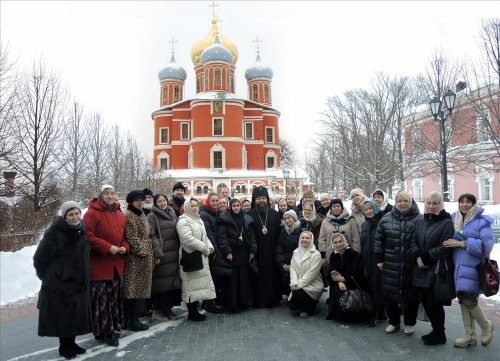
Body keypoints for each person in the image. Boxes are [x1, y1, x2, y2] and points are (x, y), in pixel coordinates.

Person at [33, 201, 91, 359]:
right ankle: (64, 347)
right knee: (63, 317)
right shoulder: (55, 232)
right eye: (70, 214)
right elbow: (39, 258)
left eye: (77, 213)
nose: (75, 217)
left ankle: (71, 343)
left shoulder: (81, 231)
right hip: (59, 285)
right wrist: (50, 278)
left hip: (77, 284)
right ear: (64, 216)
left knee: (73, 316)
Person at [443, 193, 495, 347]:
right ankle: (469, 336)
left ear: (473, 204)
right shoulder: (453, 218)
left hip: (473, 267)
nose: (464, 204)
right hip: (457, 267)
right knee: (463, 299)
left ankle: (486, 326)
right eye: (462, 201)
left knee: (469, 299)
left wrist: (462, 244)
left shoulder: (482, 222)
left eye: (468, 202)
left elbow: (486, 246)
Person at [83, 185, 128, 347]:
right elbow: (87, 236)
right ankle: (104, 331)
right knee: (101, 301)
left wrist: (124, 247)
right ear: (101, 196)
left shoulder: (119, 214)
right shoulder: (91, 214)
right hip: (99, 266)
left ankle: (111, 328)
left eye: (112, 193)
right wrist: (108, 247)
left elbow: (124, 236)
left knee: (114, 299)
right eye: (106, 194)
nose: (110, 196)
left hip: (116, 265)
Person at [374, 191, 422, 335]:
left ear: (411, 201)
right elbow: (378, 239)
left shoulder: (420, 219)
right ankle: (393, 322)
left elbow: (423, 240)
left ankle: (409, 322)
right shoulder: (387, 218)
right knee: (390, 294)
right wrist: (379, 259)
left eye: (406, 200)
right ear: (396, 202)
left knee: (411, 295)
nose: (402, 203)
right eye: (399, 201)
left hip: (411, 264)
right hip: (391, 262)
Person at [410, 192, 454, 345]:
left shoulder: (446, 222)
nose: (431, 206)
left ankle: (440, 333)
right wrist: (417, 256)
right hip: (420, 267)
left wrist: (426, 257)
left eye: (435, 203)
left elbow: (446, 246)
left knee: (434, 302)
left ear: (440, 205)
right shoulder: (421, 220)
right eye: (429, 203)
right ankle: (435, 331)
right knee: (426, 301)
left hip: (436, 269)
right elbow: (413, 241)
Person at [176, 198, 217, 321]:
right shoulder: (183, 221)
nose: (195, 208)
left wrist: (209, 247)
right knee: (190, 285)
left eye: (196, 206)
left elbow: (205, 237)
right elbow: (186, 239)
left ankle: (195, 311)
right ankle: (192, 312)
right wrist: (202, 247)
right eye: (192, 206)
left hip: (201, 256)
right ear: (187, 207)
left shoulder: (198, 219)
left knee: (198, 285)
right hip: (190, 256)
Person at [217, 198, 257, 312]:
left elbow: (252, 237)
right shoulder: (225, 219)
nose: (236, 208)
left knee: (243, 278)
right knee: (233, 280)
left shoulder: (246, 219)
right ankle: (233, 304)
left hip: (244, 252)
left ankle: (243, 302)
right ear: (230, 207)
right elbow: (222, 237)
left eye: (238, 206)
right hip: (232, 253)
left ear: (240, 206)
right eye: (234, 206)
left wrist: (252, 251)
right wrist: (227, 251)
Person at [122, 190, 153, 332]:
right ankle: (131, 320)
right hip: (135, 259)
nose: (140, 202)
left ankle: (134, 318)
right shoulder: (129, 216)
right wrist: (143, 252)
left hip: (144, 258)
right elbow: (131, 237)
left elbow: (147, 234)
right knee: (132, 290)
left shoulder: (141, 214)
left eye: (142, 200)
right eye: (137, 200)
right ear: (131, 202)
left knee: (137, 291)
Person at [147, 193, 181, 322]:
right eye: (159, 201)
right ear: (155, 203)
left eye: (164, 200)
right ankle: (158, 310)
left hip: (173, 253)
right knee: (160, 284)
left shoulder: (172, 213)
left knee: (170, 283)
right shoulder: (152, 216)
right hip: (163, 254)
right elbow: (150, 235)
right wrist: (157, 254)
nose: (162, 203)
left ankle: (168, 308)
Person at [248, 186, 282, 307]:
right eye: (258, 198)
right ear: (254, 200)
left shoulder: (274, 214)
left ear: (267, 199)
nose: (261, 200)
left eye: (263, 198)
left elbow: (279, 233)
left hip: (272, 251)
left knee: (272, 274)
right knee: (257, 275)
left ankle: (273, 299)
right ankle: (257, 300)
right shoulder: (249, 214)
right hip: (257, 252)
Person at [199, 193, 230, 313]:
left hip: (214, 249)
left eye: (217, 200)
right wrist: (216, 251)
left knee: (214, 277)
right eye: (213, 201)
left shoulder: (214, 213)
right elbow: (209, 234)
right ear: (208, 201)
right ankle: (209, 304)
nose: (216, 203)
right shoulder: (205, 214)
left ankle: (210, 302)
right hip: (211, 250)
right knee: (211, 278)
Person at [326, 233, 366, 321]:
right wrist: (339, 281)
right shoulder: (333, 256)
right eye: (335, 242)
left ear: (344, 241)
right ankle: (338, 314)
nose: (338, 244)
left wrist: (344, 279)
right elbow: (331, 273)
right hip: (339, 283)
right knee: (336, 289)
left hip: (354, 283)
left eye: (340, 241)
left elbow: (359, 274)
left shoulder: (354, 255)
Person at [360, 199, 385, 327]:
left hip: (379, 261)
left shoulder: (382, 223)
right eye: (366, 210)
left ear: (375, 208)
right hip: (367, 261)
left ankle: (375, 314)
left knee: (377, 287)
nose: (368, 211)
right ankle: (379, 312)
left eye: (370, 209)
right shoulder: (364, 225)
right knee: (370, 286)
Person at [288, 231, 323, 318]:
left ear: (311, 240)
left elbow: (312, 273)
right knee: (291, 305)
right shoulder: (296, 252)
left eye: (307, 238)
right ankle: (303, 304)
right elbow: (292, 268)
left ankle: (309, 309)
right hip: (298, 282)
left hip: (313, 283)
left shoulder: (316, 254)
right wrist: (294, 282)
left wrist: (298, 285)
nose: (305, 240)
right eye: (303, 238)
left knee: (299, 292)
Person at [318, 198, 360, 270]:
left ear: (342, 207)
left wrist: (356, 254)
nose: (336, 208)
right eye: (333, 206)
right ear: (330, 208)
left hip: (348, 255)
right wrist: (323, 256)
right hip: (330, 254)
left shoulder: (350, 220)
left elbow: (356, 238)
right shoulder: (325, 221)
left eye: (338, 206)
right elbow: (322, 239)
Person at [276, 210, 302, 296]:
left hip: (298, 264)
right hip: (286, 263)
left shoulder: (301, 231)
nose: (287, 220)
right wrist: (282, 263)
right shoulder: (283, 231)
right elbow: (279, 248)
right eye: (285, 218)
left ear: (294, 218)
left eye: (289, 218)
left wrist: (293, 264)